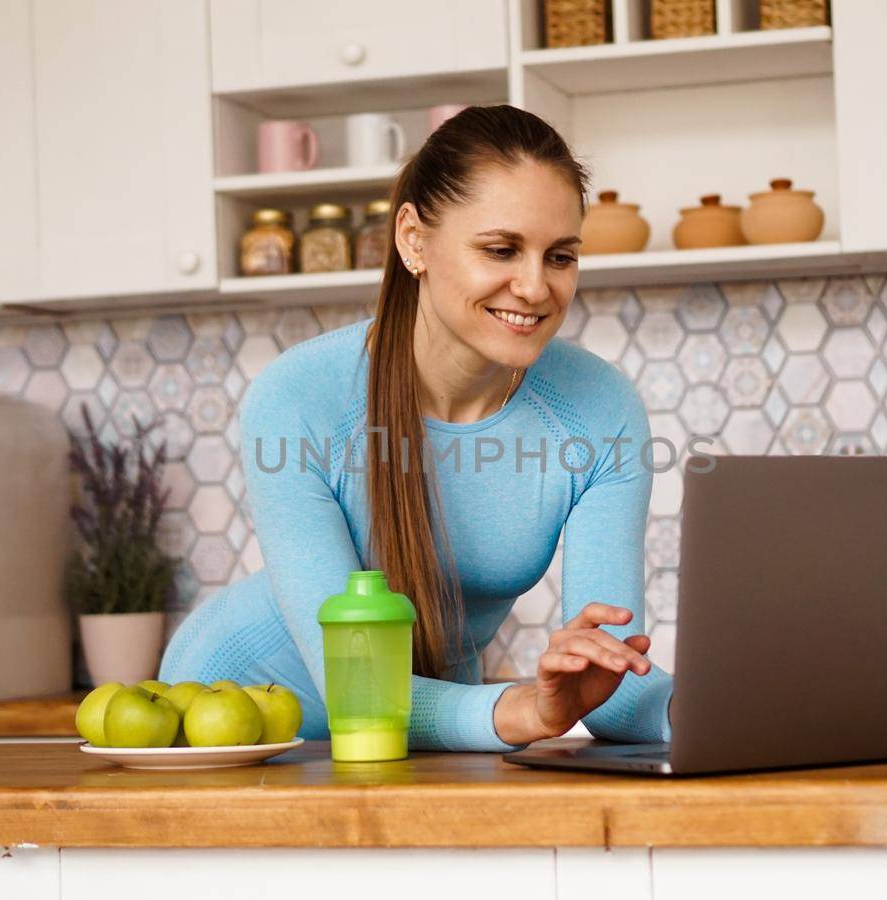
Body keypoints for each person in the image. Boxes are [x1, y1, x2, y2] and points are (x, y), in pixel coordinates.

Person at [159, 105, 673, 751]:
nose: (536, 287)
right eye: (500, 249)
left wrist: (758, 710)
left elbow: (617, 690)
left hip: (434, 729)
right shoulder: (297, 401)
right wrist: (520, 713)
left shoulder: (599, 409)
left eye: (561, 256)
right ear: (413, 240)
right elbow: (360, 692)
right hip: (232, 720)